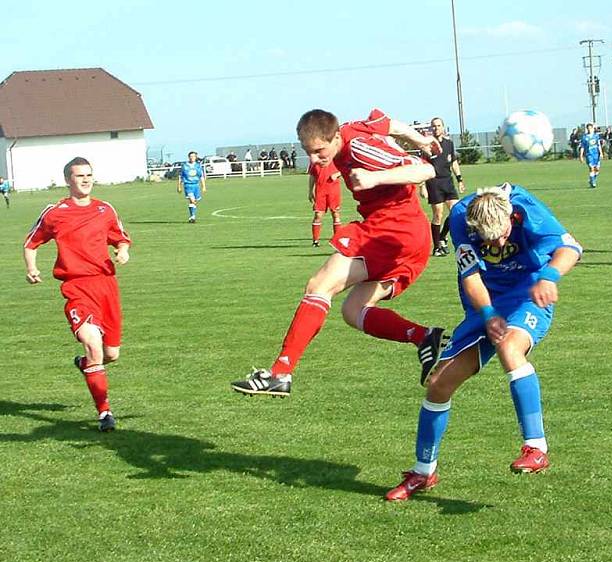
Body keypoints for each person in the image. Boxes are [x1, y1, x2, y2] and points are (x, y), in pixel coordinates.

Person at [385, 183, 582, 501]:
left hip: (527, 293)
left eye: (503, 235)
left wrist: (549, 277)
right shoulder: (461, 216)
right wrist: (489, 314)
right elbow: (471, 275)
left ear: (509, 218)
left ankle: (536, 447)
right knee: (438, 383)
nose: (499, 243)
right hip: (485, 303)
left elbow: (570, 248)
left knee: (509, 347)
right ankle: (424, 472)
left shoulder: (525, 208)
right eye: (490, 240)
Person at [231, 108, 447, 396]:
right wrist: (419, 138)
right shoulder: (349, 131)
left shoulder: (359, 149)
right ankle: (423, 336)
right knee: (352, 310)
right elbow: (388, 124)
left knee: (319, 285)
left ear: (334, 138)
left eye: (319, 151)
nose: (315, 159)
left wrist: (375, 179)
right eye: (308, 152)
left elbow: (426, 170)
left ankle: (281, 372)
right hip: (401, 233)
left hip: (394, 231)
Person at [23, 157, 131, 432]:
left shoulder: (105, 209)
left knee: (111, 354)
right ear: (68, 180)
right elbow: (31, 243)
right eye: (80, 175)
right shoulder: (56, 212)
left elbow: (119, 236)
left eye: (89, 175)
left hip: (106, 287)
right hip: (76, 287)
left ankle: (85, 365)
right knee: (93, 345)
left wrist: (121, 250)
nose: (86, 180)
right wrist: (31, 268)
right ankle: (104, 413)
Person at [425, 117, 465, 257]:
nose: (436, 128)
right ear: (431, 129)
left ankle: (442, 237)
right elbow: (422, 166)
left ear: (443, 127)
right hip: (434, 183)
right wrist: (422, 186)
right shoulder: (427, 145)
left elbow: (453, 162)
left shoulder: (449, 144)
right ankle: (436, 247)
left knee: (456, 211)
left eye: (438, 125)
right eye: (433, 126)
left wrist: (459, 179)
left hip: (448, 182)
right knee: (438, 215)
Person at [307, 158, 342, 247]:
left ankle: (337, 240)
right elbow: (312, 175)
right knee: (318, 214)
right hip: (320, 190)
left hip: (333, 190)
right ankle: (315, 241)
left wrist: (337, 174)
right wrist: (310, 191)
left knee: (335, 213)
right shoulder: (314, 159)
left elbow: (346, 168)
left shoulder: (335, 157)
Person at [177, 151, 206, 223]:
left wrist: (203, 186)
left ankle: (191, 216)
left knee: (194, 201)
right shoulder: (185, 166)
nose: (192, 158)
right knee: (192, 200)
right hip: (188, 185)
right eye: (191, 156)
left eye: (193, 156)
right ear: (188, 157)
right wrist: (179, 186)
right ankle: (192, 217)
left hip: (196, 185)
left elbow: (201, 176)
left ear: (196, 157)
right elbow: (181, 177)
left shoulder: (198, 166)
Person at [579, 122, 603, 188]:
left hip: (596, 155)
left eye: (591, 128)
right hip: (589, 155)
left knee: (597, 169)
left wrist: (601, 153)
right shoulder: (584, 137)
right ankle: (593, 182)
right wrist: (581, 156)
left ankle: (592, 179)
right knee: (592, 168)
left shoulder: (596, 136)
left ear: (593, 128)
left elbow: (599, 145)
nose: (590, 130)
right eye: (588, 128)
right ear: (587, 129)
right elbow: (582, 147)